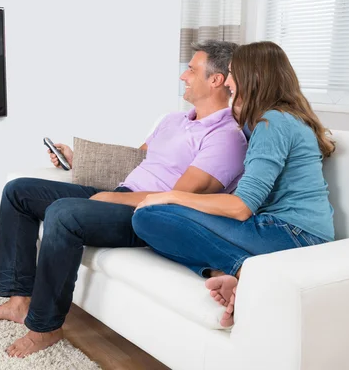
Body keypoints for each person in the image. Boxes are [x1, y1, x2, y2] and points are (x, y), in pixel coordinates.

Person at [0, 40, 248, 358]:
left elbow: (180, 198)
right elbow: (137, 164)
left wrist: (114, 200)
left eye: (191, 69)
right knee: (19, 191)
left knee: (64, 213)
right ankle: (19, 301)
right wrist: (78, 160)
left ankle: (45, 327)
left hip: (151, 217)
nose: (183, 76)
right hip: (121, 196)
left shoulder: (225, 137)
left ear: (216, 80)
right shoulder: (173, 120)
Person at [132, 41, 336, 328]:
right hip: (286, 229)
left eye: (232, 73)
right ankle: (220, 273)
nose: (227, 82)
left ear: (252, 77)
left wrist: (171, 196)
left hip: (294, 236)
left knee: (149, 216)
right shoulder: (273, 119)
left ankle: (241, 274)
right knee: (151, 219)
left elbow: (241, 207)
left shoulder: (273, 123)